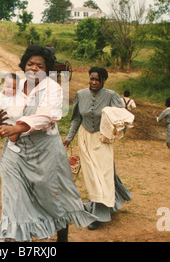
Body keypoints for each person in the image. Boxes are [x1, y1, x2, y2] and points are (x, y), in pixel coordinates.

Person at [0, 45, 98, 242]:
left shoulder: (53, 89)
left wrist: (17, 128)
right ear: (23, 65)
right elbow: (0, 105)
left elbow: (46, 116)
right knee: (13, 196)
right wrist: (0, 121)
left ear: (47, 69)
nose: (33, 68)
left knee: (52, 197)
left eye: (39, 66)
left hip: (45, 151)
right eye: (30, 64)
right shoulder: (15, 86)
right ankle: (14, 237)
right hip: (15, 150)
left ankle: (62, 234)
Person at [63, 67, 132, 231]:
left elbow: (122, 118)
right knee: (93, 177)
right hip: (85, 138)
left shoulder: (111, 96)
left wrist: (115, 133)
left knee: (104, 175)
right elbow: (76, 119)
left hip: (103, 140)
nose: (94, 82)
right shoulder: (81, 95)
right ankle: (99, 212)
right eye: (91, 79)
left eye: (97, 80)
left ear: (103, 81)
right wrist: (68, 138)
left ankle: (104, 207)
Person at [0, 73, 24, 153]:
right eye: (8, 87)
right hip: (9, 120)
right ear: (2, 86)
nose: (11, 89)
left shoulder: (18, 95)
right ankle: (11, 144)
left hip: (19, 116)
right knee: (14, 130)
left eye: (14, 88)